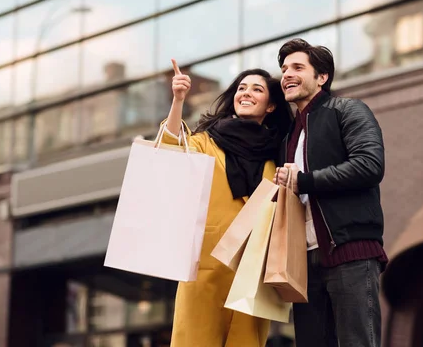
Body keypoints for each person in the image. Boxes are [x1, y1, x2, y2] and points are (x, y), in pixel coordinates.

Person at [162, 59, 293, 347]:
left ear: (270, 106)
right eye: (241, 88)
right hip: (206, 265)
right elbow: (171, 148)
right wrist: (178, 100)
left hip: (252, 271)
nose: (246, 93)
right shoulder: (207, 141)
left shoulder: (278, 155)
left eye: (257, 89)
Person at [273, 39, 388, 347]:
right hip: (304, 262)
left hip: (349, 253)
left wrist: (304, 181)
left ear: (322, 77)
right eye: (284, 69)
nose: (287, 74)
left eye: (298, 67)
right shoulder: (289, 136)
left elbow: (369, 165)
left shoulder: (347, 110)